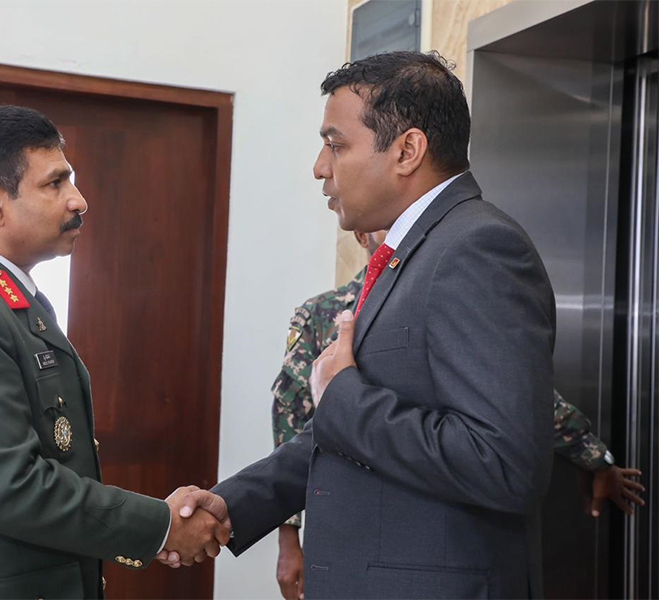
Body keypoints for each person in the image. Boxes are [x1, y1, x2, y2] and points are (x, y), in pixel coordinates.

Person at [171, 51, 557, 598]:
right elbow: (345, 432)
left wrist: (343, 395)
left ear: (407, 150)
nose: (320, 167)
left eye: (336, 144)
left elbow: (502, 465)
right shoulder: (412, 251)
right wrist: (236, 502)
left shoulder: (477, 249)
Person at [0, 105, 228, 599]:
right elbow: (11, 487)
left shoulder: (12, 304)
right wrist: (160, 525)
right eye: (55, 184)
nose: (79, 201)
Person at [272, 230, 646, 600]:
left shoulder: (438, 294)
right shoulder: (322, 316)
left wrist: (598, 459)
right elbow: (292, 421)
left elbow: (526, 403)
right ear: (360, 236)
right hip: (349, 521)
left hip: (433, 524)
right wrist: (288, 540)